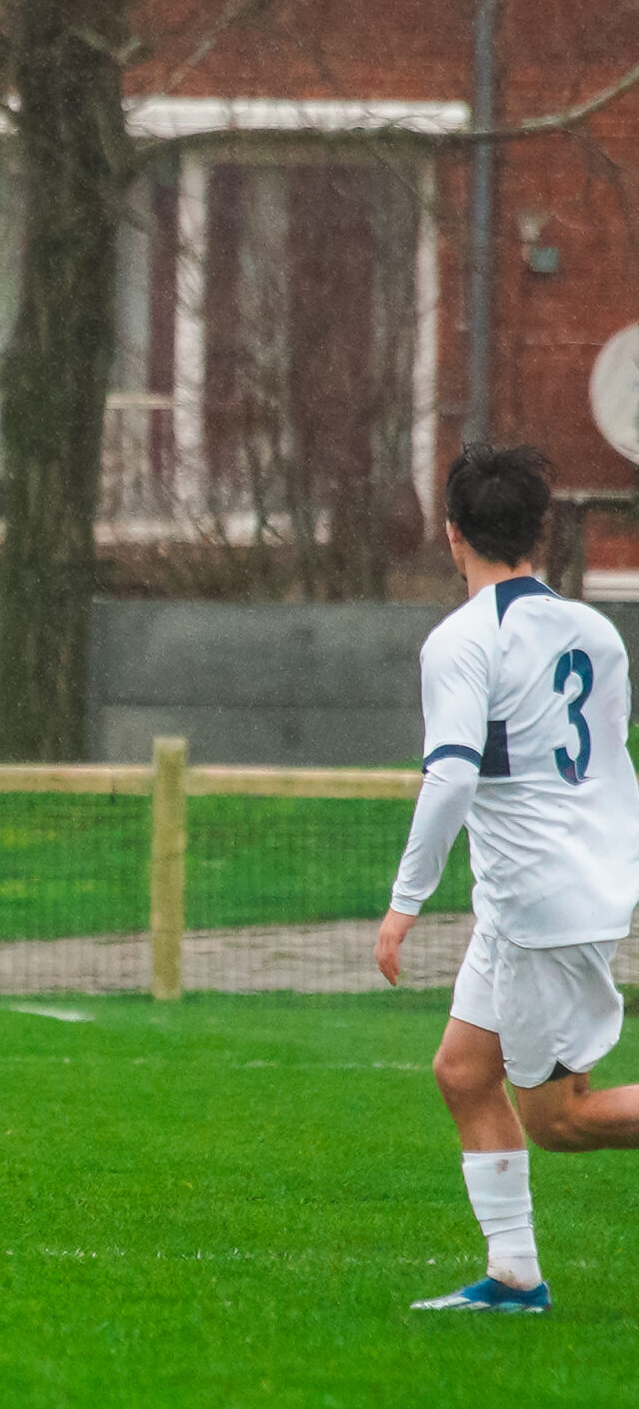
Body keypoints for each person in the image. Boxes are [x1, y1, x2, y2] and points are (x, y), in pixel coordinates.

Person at [376, 445, 639, 1313]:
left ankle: (517, 1278)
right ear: (542, 529)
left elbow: (452, 776)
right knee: (462, 1071)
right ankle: (514, 1277)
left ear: (452, 533)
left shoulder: (461, 640)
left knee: (560, 1118)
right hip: (557, 889)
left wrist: (404, 903)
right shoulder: (597, 633)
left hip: (539, 902)